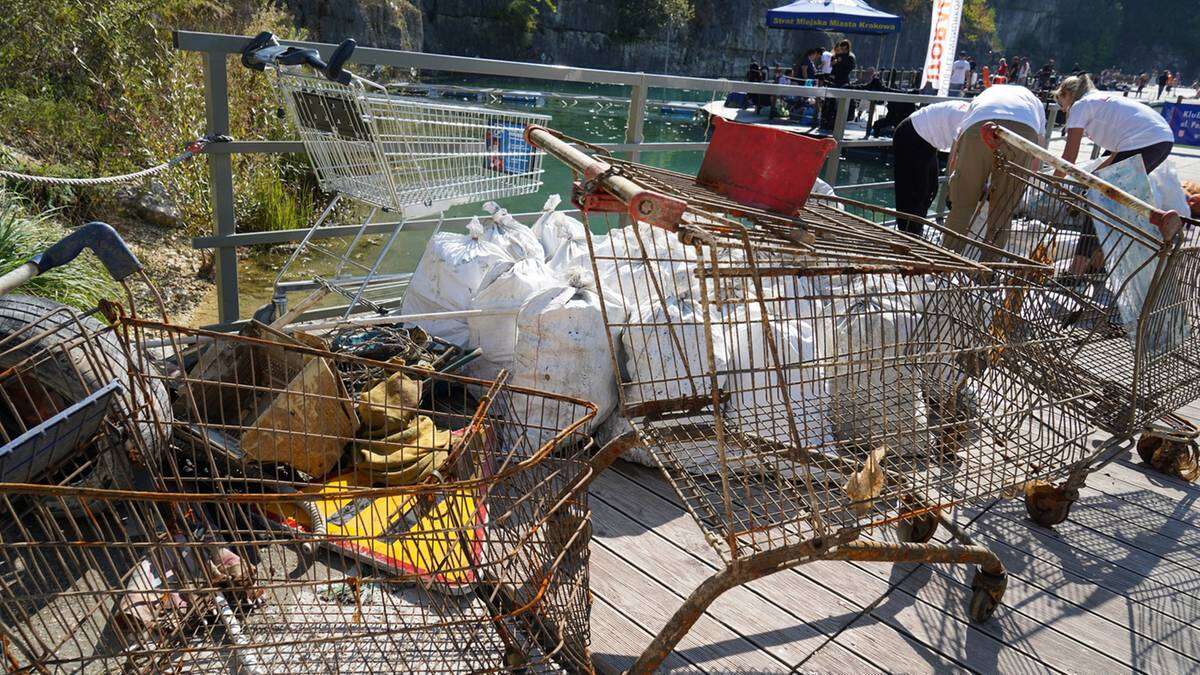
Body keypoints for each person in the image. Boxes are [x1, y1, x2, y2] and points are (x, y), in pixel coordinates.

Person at [1053, 74, 1175, 275]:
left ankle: (1077, 268)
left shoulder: (1080, 106)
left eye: (1061, 101)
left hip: (1144, 142)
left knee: (1098, 201)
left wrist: (1054, 182)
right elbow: (1111, 157)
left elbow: (1069, 156)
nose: (1062, 108)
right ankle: (1098, 263)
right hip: (1160, 140)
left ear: (1067, 94)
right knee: (1110, 200)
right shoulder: (1103, 101)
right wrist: (1089, 180)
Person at [944, 84, 1046, 256]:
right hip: (1023, 131)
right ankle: (988, 272)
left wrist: (956, 181)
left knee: (962, 204)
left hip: (979, 124)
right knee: (1003, 209)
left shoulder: (984, 95)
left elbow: (956, 149)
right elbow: (1036, 156)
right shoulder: (1034, 102)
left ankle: (943, 263)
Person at [892, 100, 970, 237]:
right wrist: (953, 192)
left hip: (927, 140)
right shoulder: (968, 121)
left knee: (931, 188)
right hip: (911, 134)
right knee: (913, 192)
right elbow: (956, 160)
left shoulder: (972, 113)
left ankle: (915, 231)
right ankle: (908, 235)